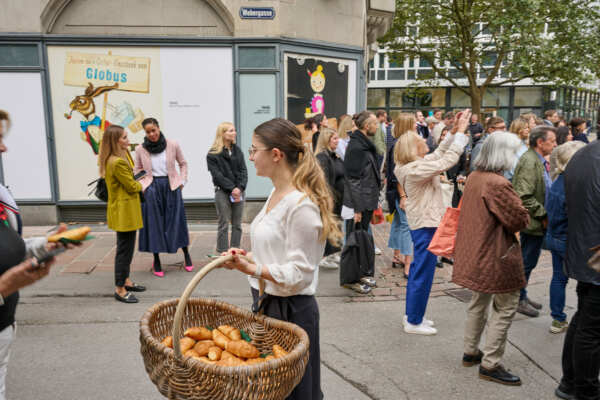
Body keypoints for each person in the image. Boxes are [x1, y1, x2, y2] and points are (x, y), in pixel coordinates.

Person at [221, 117, 342, 400]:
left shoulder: (301, 206)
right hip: (267, 306)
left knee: (293, 392)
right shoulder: (276, 193)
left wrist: (253, 267)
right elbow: (275, 252)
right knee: (271, 390)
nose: (250, 156)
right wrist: (246, 257)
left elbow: (299, 274)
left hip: (291, 312)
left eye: (254, 150)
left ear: (276, 155)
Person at [453, 132, 530, 386]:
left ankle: (471, 350)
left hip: (477, 251)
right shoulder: (497, 183)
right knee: (505, 306)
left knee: (478, 300)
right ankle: (490, 363)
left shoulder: (475, 176)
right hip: (495, 254)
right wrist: (524, 211)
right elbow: (517, 219)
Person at [0, 109, 67, 399]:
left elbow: (10, 246)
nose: (4, 147)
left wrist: (45, 244)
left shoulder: (1, 196)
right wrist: (4, 286)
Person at [394, 109, 471, 335]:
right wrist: (460, 135)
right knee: (422, 272)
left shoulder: (416, 163)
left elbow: (438, 154)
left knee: (422, 270)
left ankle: (413, 315)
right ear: (413, 148)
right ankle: (414, 321)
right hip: (425, 224)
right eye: (420, 141)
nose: (425, 142)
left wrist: (455, 132)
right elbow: (447, 160)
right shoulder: (414, 168)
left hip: (425, 222)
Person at [555, 140, 600, 400]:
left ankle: (571, 382)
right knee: (591, 328)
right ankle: (585, 390)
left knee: (584, 320)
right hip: (594, 254)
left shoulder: (583, 154)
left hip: (586, 251)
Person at [135, 118, 192, 277]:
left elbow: (183, 163)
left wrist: (182, 181)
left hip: (171, 187)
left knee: (176, 222)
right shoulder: (140, 149)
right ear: (145, 133)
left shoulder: (172, 144)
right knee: (154, 225)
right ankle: (156, 259)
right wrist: (143, 186)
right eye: (148, 132)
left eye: (154, 130)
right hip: (152, 188)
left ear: (158, 128)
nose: (152, 134)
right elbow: (137, 170)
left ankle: (186, 254)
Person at [512, 125, 557, 317]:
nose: (555, 144)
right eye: (552, 141)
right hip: (533, 223)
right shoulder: (530, 161)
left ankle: (522, 294)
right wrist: (543, 214)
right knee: (526, 262)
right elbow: (523, 195)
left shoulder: (537, 160)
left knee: (529, 261)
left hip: (537, 222)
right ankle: (517, 299)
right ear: (540, 142)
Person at [99, 125, 146, 303]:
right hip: (124, 212)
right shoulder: (117, 162)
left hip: (123, 210)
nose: (128, 140)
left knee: (126, 248)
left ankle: (125, 280)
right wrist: (142, 183)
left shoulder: (115, 158)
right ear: (116, 141)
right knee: (124, 251)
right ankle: (119, 288)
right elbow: (132, 186)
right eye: (125, 137)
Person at [546, 141, 586, 336]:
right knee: (583, 281)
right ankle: (581, 319)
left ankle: (557, 318)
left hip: (555, 237)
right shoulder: (573, 185)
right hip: (568, 240)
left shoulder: (557, 181)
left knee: (558, 278)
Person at [342, 111, 381, 293]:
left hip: (366, 201)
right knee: (353, 241)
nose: (377, 126)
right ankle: (350, 279)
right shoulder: (357, 147)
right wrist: (356, 208)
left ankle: (362, 274)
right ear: (366, 126)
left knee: (363, 240)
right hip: (358, 203)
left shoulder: (364, 144)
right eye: (374, 123)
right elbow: (352, 180)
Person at [206, 122, 248, 255]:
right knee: (224, 223)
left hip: (238, 191)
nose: (234, 133)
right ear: (222, 134)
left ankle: (234, 250)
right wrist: (232, 188)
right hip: (222, 192)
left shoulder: (237, 151)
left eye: (234, 130)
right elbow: (217, 176)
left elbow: (243, 171)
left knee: (237, 224)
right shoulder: (212, 154)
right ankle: (223, 252)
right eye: (230, 131)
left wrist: (240, 188)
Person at [385, 113, 414, 279]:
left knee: (397, 222)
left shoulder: (396, 144)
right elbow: (397, 175)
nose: (416, 126)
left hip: (394, 192)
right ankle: (408, 265)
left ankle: (397, 255)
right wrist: (403, 196)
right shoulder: (401, 146)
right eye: (414, 123)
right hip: (401, 191)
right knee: (406, 225)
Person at [315, 128, 344, 269]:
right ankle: (325, 256)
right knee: (328, 225)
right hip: (329, 198)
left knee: (335, 225)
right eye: (334, 139)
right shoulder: (322, 157)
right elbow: (324, 180)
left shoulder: (333, 155)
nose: (338, 141)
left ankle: (334, 253)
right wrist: (328, 197)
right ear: (327, 140)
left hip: (338, 199)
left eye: (338, 138)